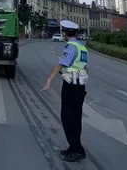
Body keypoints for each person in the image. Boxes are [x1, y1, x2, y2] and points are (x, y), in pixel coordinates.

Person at [41, 20, 89, 162]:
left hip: (70, 86)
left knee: (67, 117)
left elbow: (60, 65)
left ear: (64, 33)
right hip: (80, 86)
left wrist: (49, 80)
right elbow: (85, 67)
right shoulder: (82, 47)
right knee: (76, 118)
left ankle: (77, 150)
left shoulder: (71, 47)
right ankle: (73, 148)